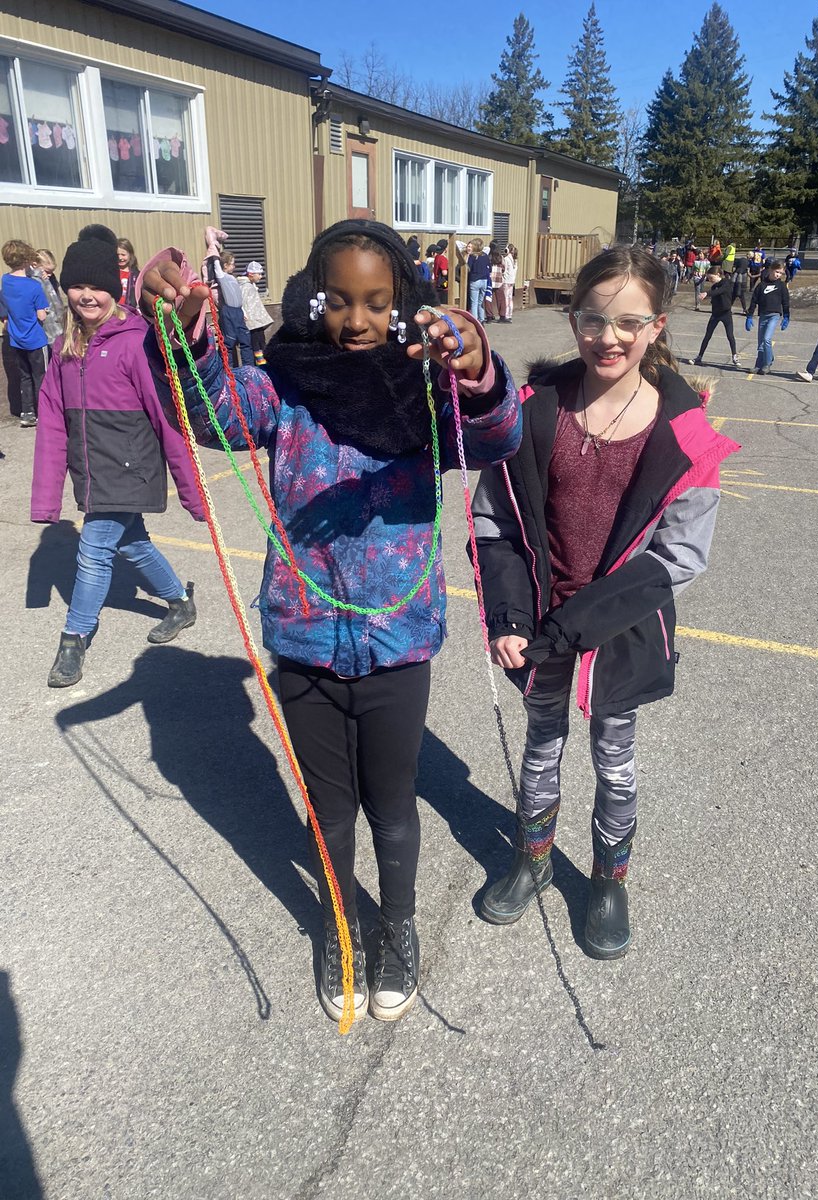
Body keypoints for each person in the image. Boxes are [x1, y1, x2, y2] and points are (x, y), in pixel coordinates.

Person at [138, 218, 522, 1023]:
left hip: (397, 641)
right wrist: (186, 336)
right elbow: (213, 413)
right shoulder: (286, 384)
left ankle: (398, 924)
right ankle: (341, 923)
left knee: (392, 802)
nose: (357, 320)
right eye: (340, 301)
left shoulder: (427, 389)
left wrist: (477, 365)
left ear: (401, 302)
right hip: (305, 640)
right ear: (315, 299)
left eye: (376, 303)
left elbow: (495, 434)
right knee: (329, 807)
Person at [471, 245, 739, 958]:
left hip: (620, 628)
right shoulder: (534, 412)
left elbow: (679, 556)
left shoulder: (686, 435)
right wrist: (509, 616)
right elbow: (494, 523)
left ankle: (608, 878)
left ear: (657, 326)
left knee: (615, 760)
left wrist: (578, 624)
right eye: (592, 319)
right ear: (573, 320)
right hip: (538, 625)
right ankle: (532, 858)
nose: (608, 337)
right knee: (541, 747)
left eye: (628, 322)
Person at [30, 224, 203, 689]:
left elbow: (167, 418)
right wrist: (46, 499)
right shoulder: (63, 349)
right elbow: (51, 425)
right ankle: (180, 602)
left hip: (132, 468)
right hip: (92, 471)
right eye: (77, 286)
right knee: (132, 544)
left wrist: (193, 491)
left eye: (97, 286)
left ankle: (74, 637)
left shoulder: (135, 341)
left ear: (114, 288)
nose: (87, 296)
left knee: (94, 550)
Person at [1, 238, 48, 427]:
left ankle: (27, 413)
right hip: (35, 339)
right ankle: (44, 413)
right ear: (27, 259)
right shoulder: (34, 285)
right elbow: (42, 315)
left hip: (16, 339)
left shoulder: (5, 280)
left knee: (25, 376)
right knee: (41, 377)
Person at [203, 226, 252, 366]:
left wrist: (243, 311)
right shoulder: (222, 276)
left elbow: (238, 297)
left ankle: (249, 366)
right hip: (229, 311)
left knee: (245, 339)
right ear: (225, 265)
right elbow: (216, 265)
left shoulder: (232, 278)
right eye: (232, 264)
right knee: (229, 341)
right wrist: (214, 250)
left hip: (238, 311)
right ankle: (227, 367)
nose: (234, 267)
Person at [746, 259, 790, 375]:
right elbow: (754, 301)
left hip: (774, 315)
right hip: (763, 315)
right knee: (761, 342)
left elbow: (785, 302)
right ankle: (758, 364)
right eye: (776, 272)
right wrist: (749, 316)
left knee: (766, 339)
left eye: (780, 273)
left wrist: (786, 316)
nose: (778, 275)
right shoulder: (761, 285)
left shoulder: (781, 286)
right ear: (770, 270)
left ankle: (767, 363)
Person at [689, 268, 740, 367]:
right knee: (707, 335)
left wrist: (706, 293)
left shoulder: (726, 283)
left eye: (711, 278)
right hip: (715, 314)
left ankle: (734, 356)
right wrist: (707, 297)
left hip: (726, 313)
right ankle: (699, 356)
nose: (710, 280)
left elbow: (720, 291)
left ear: (718, 274)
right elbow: (714, 294)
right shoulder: (714, 287)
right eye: (708, 278)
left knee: (730, 335)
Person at [238, 260, 273, 366]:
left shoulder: (250, 285)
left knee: (261, 341)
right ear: (251, 274)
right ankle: (261, 363)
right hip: (252, 321)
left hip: (257, 321)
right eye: (259, 274)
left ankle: (264, 361)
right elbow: (241, 301)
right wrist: (243, 312)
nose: (261, 277)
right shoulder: (245, 287)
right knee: (256, 343)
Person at [32, 249, 65, 344]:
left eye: (52, 271)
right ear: (35, 266)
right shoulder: (34, 281)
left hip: (58, 321)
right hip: (46, 325)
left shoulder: (51, 279)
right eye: (47, 271)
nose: (50, 274)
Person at [466, 237, 490, 322]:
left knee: (474, 303)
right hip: (484, 280)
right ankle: (481, 320)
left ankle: (475, 321)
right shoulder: (485, 255)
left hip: (475, 280)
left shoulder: (472, 256)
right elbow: (489, 268)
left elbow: (468, 268)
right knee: (480, 302)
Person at [116, 238, 140, 308]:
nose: (120, 258)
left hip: (130, 308)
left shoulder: (136, 275)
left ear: (130, 255)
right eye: (117, 255)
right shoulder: (112, 272)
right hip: (115, 308)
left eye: (123, 255)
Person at [501, 244, 518, 322]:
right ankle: (510, 314)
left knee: (505, 298)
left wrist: (503, 275)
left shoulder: (506, 259)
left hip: (506, 280)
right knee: (510, 298)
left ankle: (506, 315)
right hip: (512, 281)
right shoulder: (515, 260)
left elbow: (504, 270)